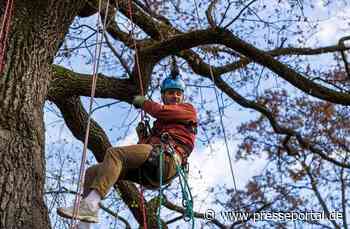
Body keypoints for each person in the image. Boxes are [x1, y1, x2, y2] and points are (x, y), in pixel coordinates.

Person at [57, 75, 197, 227]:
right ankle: (84, 224)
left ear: (182, 96)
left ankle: (89, 205)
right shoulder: (160, 125)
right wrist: (144, 137)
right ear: (164, 95)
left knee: (115, 154)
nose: (175, 96)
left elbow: (160, 111)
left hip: (167, 161)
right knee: (92, 172)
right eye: (170, 93)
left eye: (178, 93)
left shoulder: (187, 110)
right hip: (151, 169)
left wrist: (143, 102)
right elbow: (144, 152)